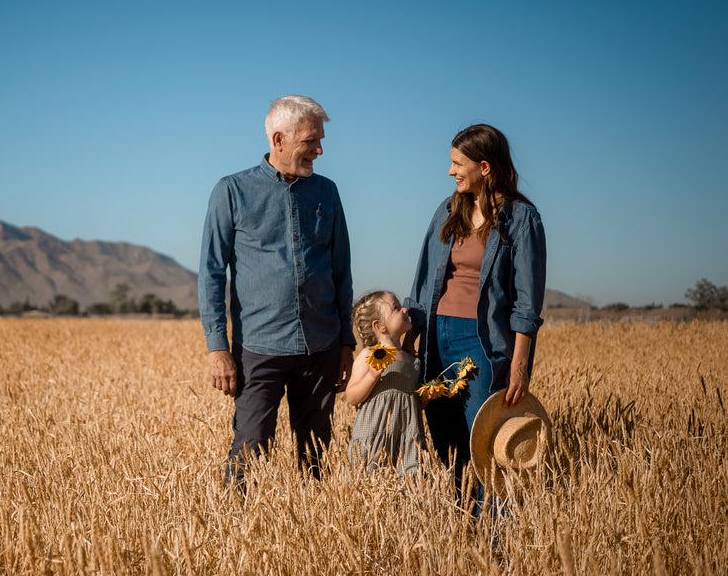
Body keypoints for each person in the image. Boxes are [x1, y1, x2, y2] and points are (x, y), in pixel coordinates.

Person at [199, 95, 354, 488]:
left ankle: (313, 538)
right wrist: (218, 349)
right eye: (311, 141)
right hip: (259, 349)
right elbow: (212, 274)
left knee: (317, 458)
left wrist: (346, 345)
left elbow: (341, 272)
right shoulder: (231, 191)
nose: (319, 150)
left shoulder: (327, 192)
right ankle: (236, 536)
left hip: (321, 347)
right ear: (279, 139)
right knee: (248, 453)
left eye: (320, 140)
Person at [404, 123, 546, 494]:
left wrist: (518, 366)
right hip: (438, 339)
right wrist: (407, 343)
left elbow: (527, 305)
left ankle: (493, 541)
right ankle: (462, 533)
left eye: (457, 163)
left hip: (484, 343)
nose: (450, 171)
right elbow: (422, 284)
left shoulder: (522, 219)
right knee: (447, 442)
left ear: (485, 167)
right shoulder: (447, 210)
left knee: (482, 444)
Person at [345, 291, 429, 476]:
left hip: (406, 436)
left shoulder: (412, 360)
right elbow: (351, 397)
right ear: (380, 326)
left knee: (409, 482)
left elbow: (412, 402)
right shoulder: (368, 355)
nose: (405, 310)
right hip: (375, 434)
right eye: (397, 308)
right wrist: (372, 376)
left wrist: (425, 397)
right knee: (370, 481)